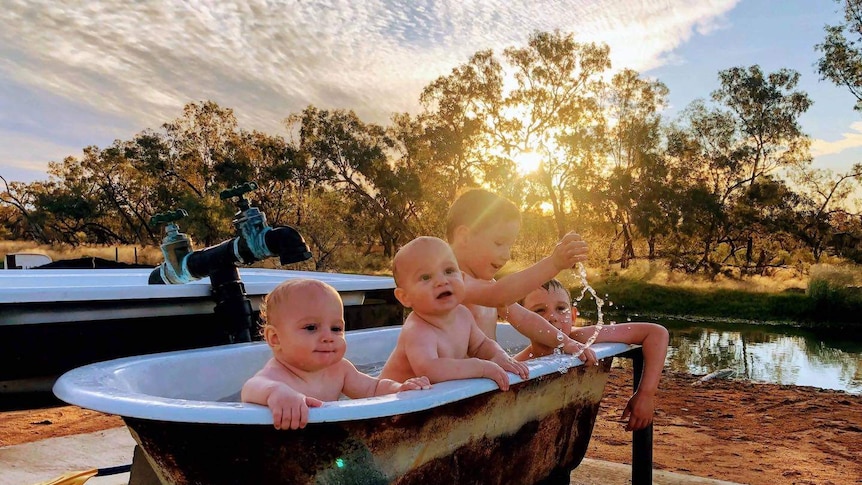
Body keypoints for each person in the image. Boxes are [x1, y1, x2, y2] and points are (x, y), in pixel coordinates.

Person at [242, 279, 431, 430]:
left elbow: (372, 389)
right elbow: (250, 388)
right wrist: (277, 393)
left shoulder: (339, 369)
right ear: (275, 338)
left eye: (336, 328)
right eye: (311, 328)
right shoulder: (276, 375)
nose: (328, 337)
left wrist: (399, 389)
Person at [446, 188, 599, 365]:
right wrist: (553, 263)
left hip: (483, 382)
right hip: (454, 388)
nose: (506, 255)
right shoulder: (450, 282)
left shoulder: (486, 285)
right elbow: (499, 294)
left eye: (509, 246)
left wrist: (565, 342)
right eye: (499, 243)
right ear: (464, 237)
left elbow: (526, 319)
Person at [515, 279, 669, 431]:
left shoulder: (581, 338)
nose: (553, 317)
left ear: (574, 316)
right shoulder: (520, 362)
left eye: (561, 308)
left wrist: (646, 394)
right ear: (521, 322)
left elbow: (656, 333)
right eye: (539, 311)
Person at [379, 236, 530, 390]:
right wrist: (481, 367)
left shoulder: (463, 315)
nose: (442, 281)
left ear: (462, 278)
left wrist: (498, 355)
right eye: (426, 277)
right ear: (405, 297)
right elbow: (430, 369)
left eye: (449, 271)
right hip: (389, 402)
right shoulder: (417, 329)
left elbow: (481, 345)